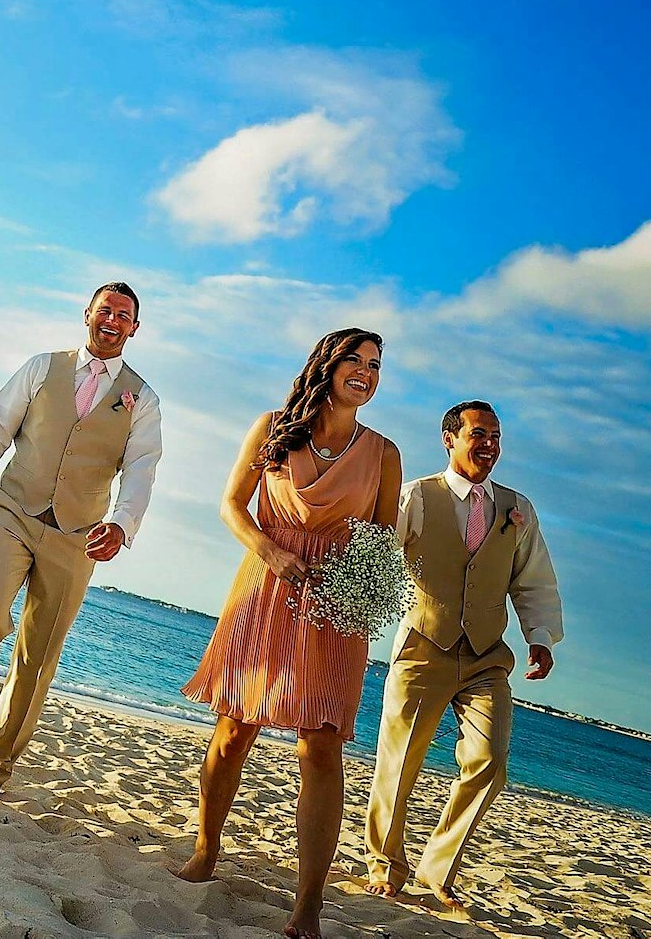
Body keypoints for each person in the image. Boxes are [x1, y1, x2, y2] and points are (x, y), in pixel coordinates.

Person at [177, 328, 402, 939]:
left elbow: (382, 546)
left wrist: (350, 588)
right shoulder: (274, 426)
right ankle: (205, 848)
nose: (365, 372)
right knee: (233, 729)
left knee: (321, 746)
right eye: (354, 359)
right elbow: (231, 504)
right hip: (266, 587)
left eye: (375, 365)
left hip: (337, 608)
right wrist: (272, 554)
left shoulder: (383, 454)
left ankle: (308, 903)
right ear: (326, 365)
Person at [0, 282, 163, 795]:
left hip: (78, 536)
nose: (112, 320)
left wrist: (122, 524)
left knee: (38, 655)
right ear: (87, 313)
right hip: (13, 509)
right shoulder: (43, 367)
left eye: (123, 315)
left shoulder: (142, 399)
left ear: (135, 328)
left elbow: (142, 469)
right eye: (105, 310)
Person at [365, 400, 563, 911]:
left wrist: (538, 634)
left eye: (496, 436)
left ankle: (438, 867)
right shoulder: (417, 497)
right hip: (422, 649)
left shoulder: (518, 509)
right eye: (479, 434)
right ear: (449, 438)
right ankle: (386, 865)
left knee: (490, 762)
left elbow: (532, 576)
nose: (490, 445)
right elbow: (379, 560)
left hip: (486, 656)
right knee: (399, 761)